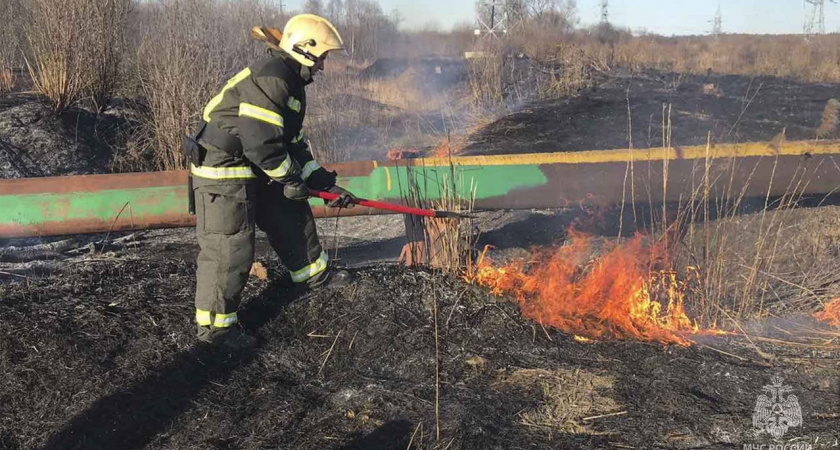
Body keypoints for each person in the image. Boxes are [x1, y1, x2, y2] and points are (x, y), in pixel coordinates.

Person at [188, 14, 357, 350]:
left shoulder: (291, 81)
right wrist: (288, 177)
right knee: (229, 245)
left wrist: (322, 182)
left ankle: (312, 275)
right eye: (322, 57)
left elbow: (291, 143)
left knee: (289, 208)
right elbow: (261, 142)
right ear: (305, 51)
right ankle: (216, 330)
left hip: (254, 162)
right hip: (224, 167)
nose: (323, 65)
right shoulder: (274, 78)